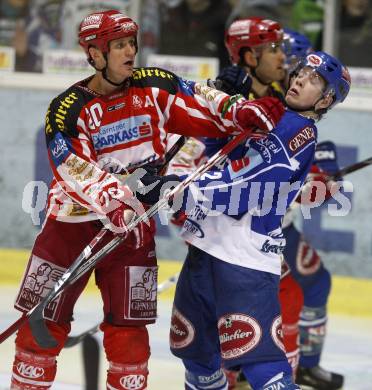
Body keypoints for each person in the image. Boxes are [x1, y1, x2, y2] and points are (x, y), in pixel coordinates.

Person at [9, 9, 284, 390]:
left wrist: (238, 110)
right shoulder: (68, 107)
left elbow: (197, 97)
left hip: (133, 232)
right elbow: (70, 164)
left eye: (131, 43)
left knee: (130, 334)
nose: (129, 52)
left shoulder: (152, 85)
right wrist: (115, 198)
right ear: (94, 54)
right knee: (42, 325)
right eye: (118, 45)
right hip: (69, 228)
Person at [168, 42, 350, 390]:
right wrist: (222, 104)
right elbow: (215, 150)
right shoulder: (270, 113)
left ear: (325, 100)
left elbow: (245, 179)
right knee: (197, 356)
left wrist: (178, 190)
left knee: (264, 367)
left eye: (313, 80)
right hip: (205, 247)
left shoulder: (299, 130)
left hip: (243, 262)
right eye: (300, 73)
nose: (299, 79)